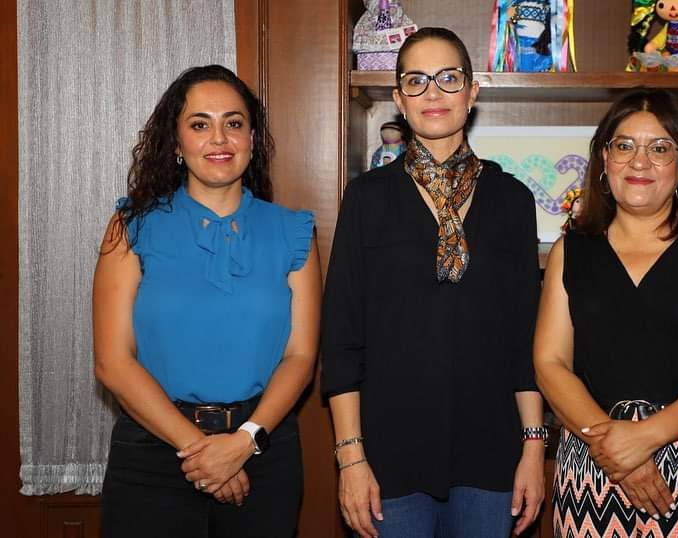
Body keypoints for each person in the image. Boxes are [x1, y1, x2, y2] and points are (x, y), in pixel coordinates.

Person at [322, 27, 545, 538]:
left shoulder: (512, 199)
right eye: (416, 81)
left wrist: (534, 448)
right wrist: (350, 458)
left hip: (491, 453)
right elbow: (342, 338)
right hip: (388, 456)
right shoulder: (367, 198)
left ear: (472, 90)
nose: (433, 93)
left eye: (448, 78)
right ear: (399, 99)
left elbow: (524, 336)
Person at [93, 64, 321, 538]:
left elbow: (300, 357)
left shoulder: (294, 231)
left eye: (233, 123)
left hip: (263, 452)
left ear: (252, 139)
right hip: (153, 454)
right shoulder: (131, 227)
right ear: (176, 143)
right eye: (200, 124)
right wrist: (204, 452)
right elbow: (113, 362)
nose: (219, 138)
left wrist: (243, 442)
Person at [533, 89, 678, 538]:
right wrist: (613, 446)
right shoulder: (571, 250)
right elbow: (549, 363)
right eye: (624, 146)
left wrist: (645, 437)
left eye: (660, 148)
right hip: (593, 462)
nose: (639, 162)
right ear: (604, 160)